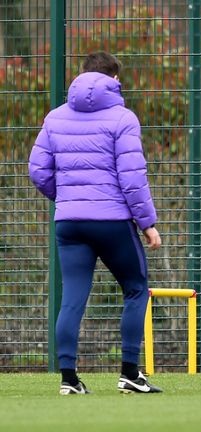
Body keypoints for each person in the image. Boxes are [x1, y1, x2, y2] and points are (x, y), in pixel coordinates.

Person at [29, 51, 163, 394]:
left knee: (72, 298)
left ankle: (68, 380)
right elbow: (132, 178)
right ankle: (130, 374)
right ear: (115, 79)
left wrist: (67, 197)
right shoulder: (123, 118)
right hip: (113, 222)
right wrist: (147, 223)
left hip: (69, 223)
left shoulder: (54, 117)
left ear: (79, 75)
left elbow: (38, 170)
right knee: (135, 289)